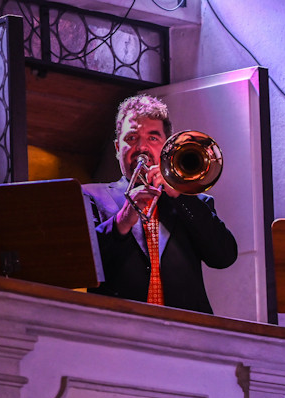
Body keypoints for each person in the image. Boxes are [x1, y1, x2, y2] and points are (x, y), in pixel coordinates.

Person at [84, 94, 237, 314]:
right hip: (117, 326)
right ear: (118, 148)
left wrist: (181, 196)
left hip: (185, 329)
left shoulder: (195, 202)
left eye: (153, 138)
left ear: (167, 147)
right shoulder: (91, 196)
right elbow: (82, 264)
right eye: (131, 138)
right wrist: (122, 221)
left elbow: (224, 256)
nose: (142, 147)